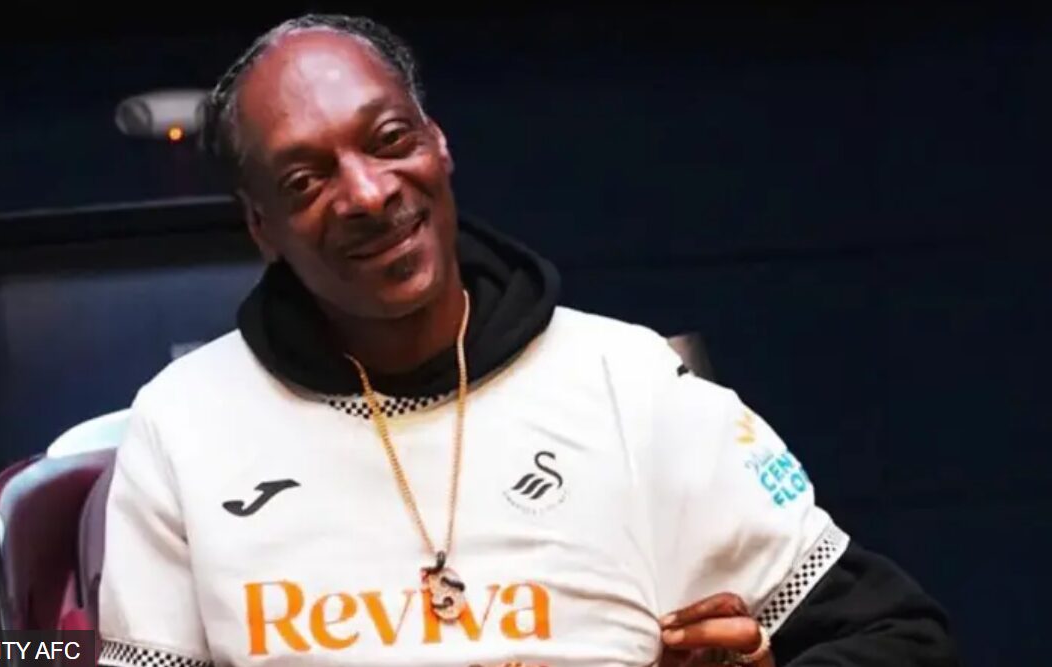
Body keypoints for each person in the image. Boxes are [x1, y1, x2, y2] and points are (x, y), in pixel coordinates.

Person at [95, 13, 960, 667]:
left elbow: (901, 638)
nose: (365, 192)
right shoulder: (184, 424)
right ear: (261, 225)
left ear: (437, 145)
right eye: (305, 178)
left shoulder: (629, 384)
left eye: (388, 140)